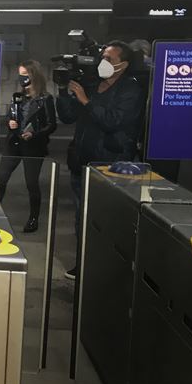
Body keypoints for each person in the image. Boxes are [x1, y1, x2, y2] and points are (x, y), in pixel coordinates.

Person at [57, 40, 144, 280]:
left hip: (110, 164)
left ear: (123, 65)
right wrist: (64, 91)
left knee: (108, 219)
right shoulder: (93, 85)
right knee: (81, 217)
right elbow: (67, 116)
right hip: (81, 162)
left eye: (111, 60)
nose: (104, 63)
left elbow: (113, 121)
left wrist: (86, 100)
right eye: (103, 58)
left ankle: (110, 267)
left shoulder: (131, 90)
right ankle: (84, 262)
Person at [0, 60, 57, 233]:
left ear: (33, 75)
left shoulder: (46, 99)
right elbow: (10, 117)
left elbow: (51, 125)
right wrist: (11, 123)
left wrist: (34, 134)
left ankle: (33, 218)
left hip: (33, 146)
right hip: (13, 143)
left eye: (25, 74)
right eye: (20, 74)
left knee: (31, 183)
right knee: (1, 177)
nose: (21, 77)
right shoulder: (18, 97)